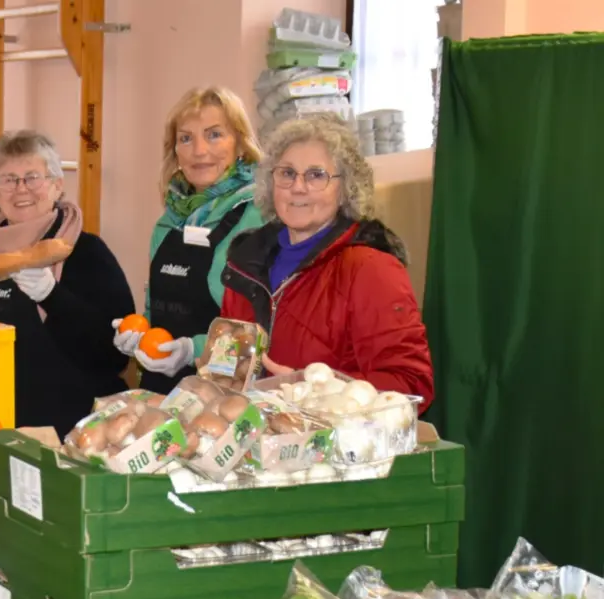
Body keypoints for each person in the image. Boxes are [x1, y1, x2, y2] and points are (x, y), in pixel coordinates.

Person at [220, 114, 434, 406]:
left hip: (332, 447)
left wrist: (315, 390)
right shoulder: (246, 263)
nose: (298, 187)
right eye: (287, 173)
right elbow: (230, 369)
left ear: (346, 187)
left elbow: (411, 385)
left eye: (316, 175)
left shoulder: (371, 269)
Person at [0, 130, 131, 434]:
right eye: (9, 179)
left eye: (33, 177)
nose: (21, 189)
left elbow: (113, 354)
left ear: (56, 186)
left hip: (73, 435)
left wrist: (53, 296)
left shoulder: (87, 252)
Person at [113, 86, 265, 395]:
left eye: (214, 135)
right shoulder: (168, 223)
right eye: (186, 138)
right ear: (175, 152)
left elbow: (261, 332)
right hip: (161, 392)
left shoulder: (257, 219)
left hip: (224, 396)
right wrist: (137, 336)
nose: (198, 150)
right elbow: (157, 312)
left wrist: (193, 351)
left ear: (239, 143)